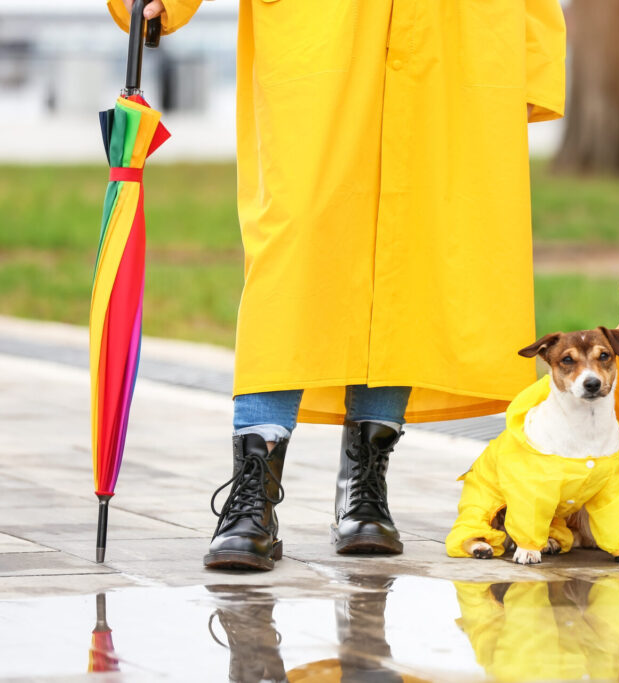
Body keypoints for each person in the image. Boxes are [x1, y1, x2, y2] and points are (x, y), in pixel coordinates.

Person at [109, 0, 566, 570]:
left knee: (411, 250)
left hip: (452, 40)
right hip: (321, 35)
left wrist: (532, 60)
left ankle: (365, 486)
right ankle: (253, 490)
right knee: (294, 254)